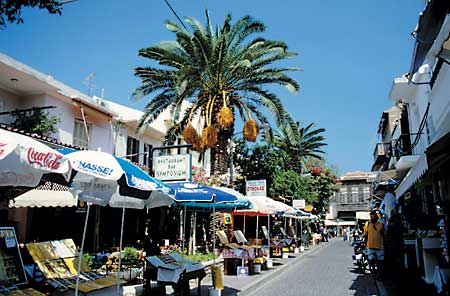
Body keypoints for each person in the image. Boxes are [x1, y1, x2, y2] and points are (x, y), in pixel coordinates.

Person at [364, 209, 385, 278]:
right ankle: (373, 272)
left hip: (380, 245)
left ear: (376, 217)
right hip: (370, 245)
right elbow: (365, 235)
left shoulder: (381, 224)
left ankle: (378, 274)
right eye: (371, 217)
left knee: (380, 261)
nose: (372, 218)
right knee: (371, 260)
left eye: (373, 217)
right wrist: (365, 245)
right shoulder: (367, 224)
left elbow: (384, 234)